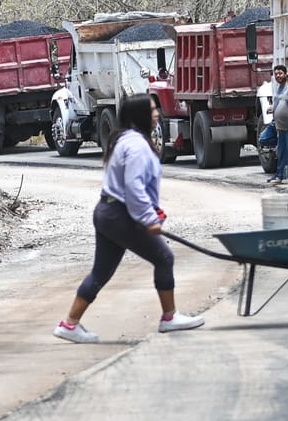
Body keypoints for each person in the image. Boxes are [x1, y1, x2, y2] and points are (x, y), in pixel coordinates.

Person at [53, 93, 205, 342]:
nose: (157, 114)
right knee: (164, 257)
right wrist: (148, 218)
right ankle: (169, 317)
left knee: (100, 273)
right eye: (153, 110)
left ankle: (69, 325)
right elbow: (133, 187)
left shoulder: (127, 139)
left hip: (107, 212)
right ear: (141, 116)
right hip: (121, 215)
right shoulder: (135, 146)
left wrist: (152, 212)